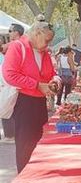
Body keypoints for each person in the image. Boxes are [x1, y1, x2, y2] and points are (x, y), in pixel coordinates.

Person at [3, 16, 60, 172]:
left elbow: (52, 73)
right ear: (37, 33)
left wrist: (55, 80)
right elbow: (10, 75)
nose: (48, 44)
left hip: (40, 104)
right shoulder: (17, 47)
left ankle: (37, 176)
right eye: (47, 40)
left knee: (39, 143)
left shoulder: (45, 53)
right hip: (24, 102)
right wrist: (36, 85)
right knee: (25, 146)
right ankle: (24, 179)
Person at [0, 35, 15, 142]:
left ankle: (9, 135)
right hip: (5, 87)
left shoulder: (3, 57)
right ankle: (9, 135)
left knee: (6, 111)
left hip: (5, 87)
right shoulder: (3, 56)